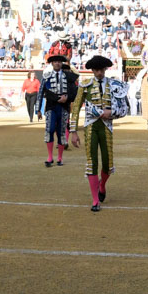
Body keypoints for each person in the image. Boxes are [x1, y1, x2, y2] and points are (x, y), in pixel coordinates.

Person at [70, 55, 128, 212]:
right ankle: (95, 200)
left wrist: (112, 112)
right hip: (91, 126)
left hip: (106, 126)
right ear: (92, 70)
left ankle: (102, 185)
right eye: (96, 70)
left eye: (101, 69)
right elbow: (76, 108)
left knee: (108, 163)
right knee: (92, 162)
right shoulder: (85, 85)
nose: (99, 73)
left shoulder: (114, 85)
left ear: (105, 69)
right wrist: (73, 131)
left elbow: (124, 109)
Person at [38, 54, 78, 167]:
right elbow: (41, 93)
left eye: (59, 62)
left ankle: (60, 158)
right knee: (50, 130)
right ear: (52, 63)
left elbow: (75, 93)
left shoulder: (69, 76)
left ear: (61, 63)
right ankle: (50, 157)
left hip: (64, 107)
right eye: (55, 62)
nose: (57, 63)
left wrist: (67, 98)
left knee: (61, 132)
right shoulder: (46, 76)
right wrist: (38, 110)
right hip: (51, 107)